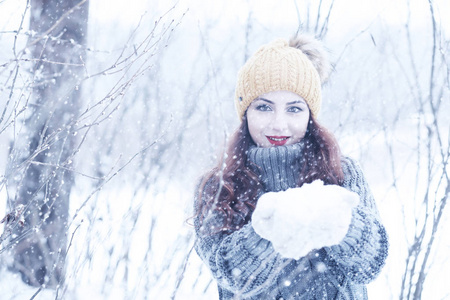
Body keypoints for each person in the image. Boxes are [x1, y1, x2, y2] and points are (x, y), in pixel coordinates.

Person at [193, 35, 389, 300]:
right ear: (245, 112)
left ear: (310, 116)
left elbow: (370, 264)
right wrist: (269, 227)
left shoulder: (341, 172)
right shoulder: (218, 185)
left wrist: (341, 220)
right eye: (264, 107)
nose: (278, 124)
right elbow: (228, 272)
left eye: (294, 109)